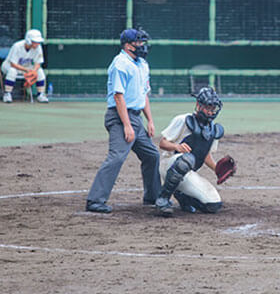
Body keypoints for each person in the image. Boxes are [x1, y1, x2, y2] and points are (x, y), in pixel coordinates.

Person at [85, 28, 161, 213]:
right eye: (139, 42)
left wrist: (149, 120)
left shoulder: (142, 64)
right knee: (117, 156)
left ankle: (153, 197)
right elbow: (119, 97)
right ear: (128, 46)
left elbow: (144, 95)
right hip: (119, 117)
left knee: (152, 155)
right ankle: (95, 200)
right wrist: (127, 125)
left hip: (136, 117)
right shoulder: (120, 64)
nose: (143, 46)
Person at [154, 86, 226, 216]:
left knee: (213, 205)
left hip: (187, 172)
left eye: (213, 108)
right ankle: (162, 200)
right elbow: (162, 143)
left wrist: (218, 170)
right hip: (168, 165)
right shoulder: (183, 120)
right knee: (187, 159)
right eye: (208, 107)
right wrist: (177, 147)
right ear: (199, 105)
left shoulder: (213, 130)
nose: (210, 112)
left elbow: (205, 156)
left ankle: (183, 196)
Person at [1, 29, 49, 103]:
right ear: (28, 40)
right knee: (12, 71)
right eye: (35, 42)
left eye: (38, 42)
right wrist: (27, 71)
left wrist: (34, 72)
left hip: (26, 67)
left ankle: (41, 95)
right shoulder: (17, 46)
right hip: (9, 66)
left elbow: (38, 63)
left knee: (40, 71)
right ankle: (7, 94)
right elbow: (13, 64)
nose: (37, 44)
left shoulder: (38, 47)